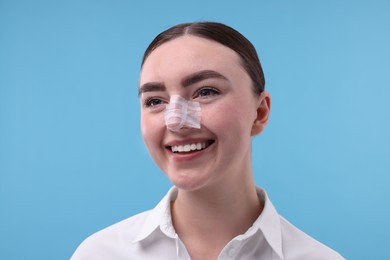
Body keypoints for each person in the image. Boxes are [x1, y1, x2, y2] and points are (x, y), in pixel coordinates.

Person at [71, 22, 344, 260]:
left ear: (259, 113)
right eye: (155, 101)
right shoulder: (98, 254)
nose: (175, 120)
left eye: (205, 92)